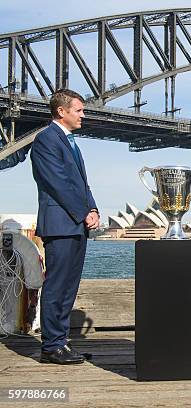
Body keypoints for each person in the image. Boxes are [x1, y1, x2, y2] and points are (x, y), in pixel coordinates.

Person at [31, 89, 99, 364]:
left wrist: (92, 208)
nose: (83, 115)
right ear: (62, 111)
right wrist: (83, 212)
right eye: (79, 110)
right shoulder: (45, 140)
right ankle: (51, 347)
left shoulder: (71, 143)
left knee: (69, 287)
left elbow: (82, 184)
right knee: (57, 286)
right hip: (60, 224)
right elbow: (58, 183)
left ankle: (61, 342)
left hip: (75, 223)